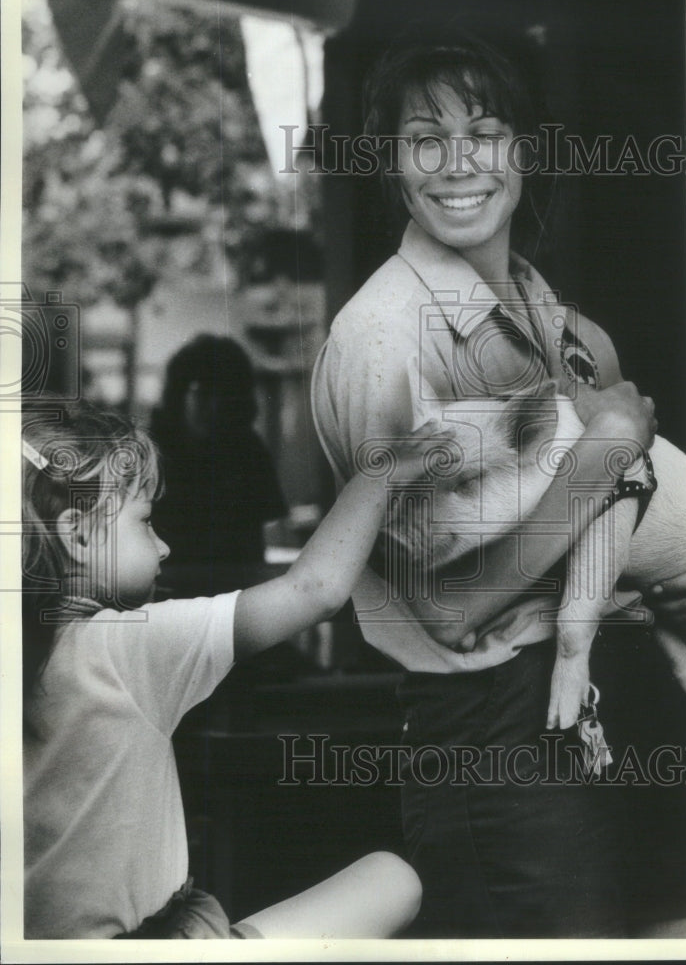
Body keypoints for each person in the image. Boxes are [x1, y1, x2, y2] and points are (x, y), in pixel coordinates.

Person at [311, 23, 686, 937]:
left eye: (483, 131)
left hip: (597, 700)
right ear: (392, 163)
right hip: (492, 738)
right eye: (424, 138)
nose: (456, 163)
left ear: (525, 149)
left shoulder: (546, 311)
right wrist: (607, 451)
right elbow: (448, 606)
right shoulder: (387, 339)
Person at [21, 397, 440, 939]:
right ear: (77, 535)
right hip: (155, 949)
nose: (165, 546)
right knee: (395, 878)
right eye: (146, 523)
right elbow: (313, 591)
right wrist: (383, 469)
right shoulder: (123, 647)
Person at [149, 335, 285, 593]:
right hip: (166, 595)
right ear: (179, 393)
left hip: (237, 596)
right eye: (203, 393)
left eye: (225, 397)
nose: (213, 408)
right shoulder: (152, 451)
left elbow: (268, 527)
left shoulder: (248, 449)